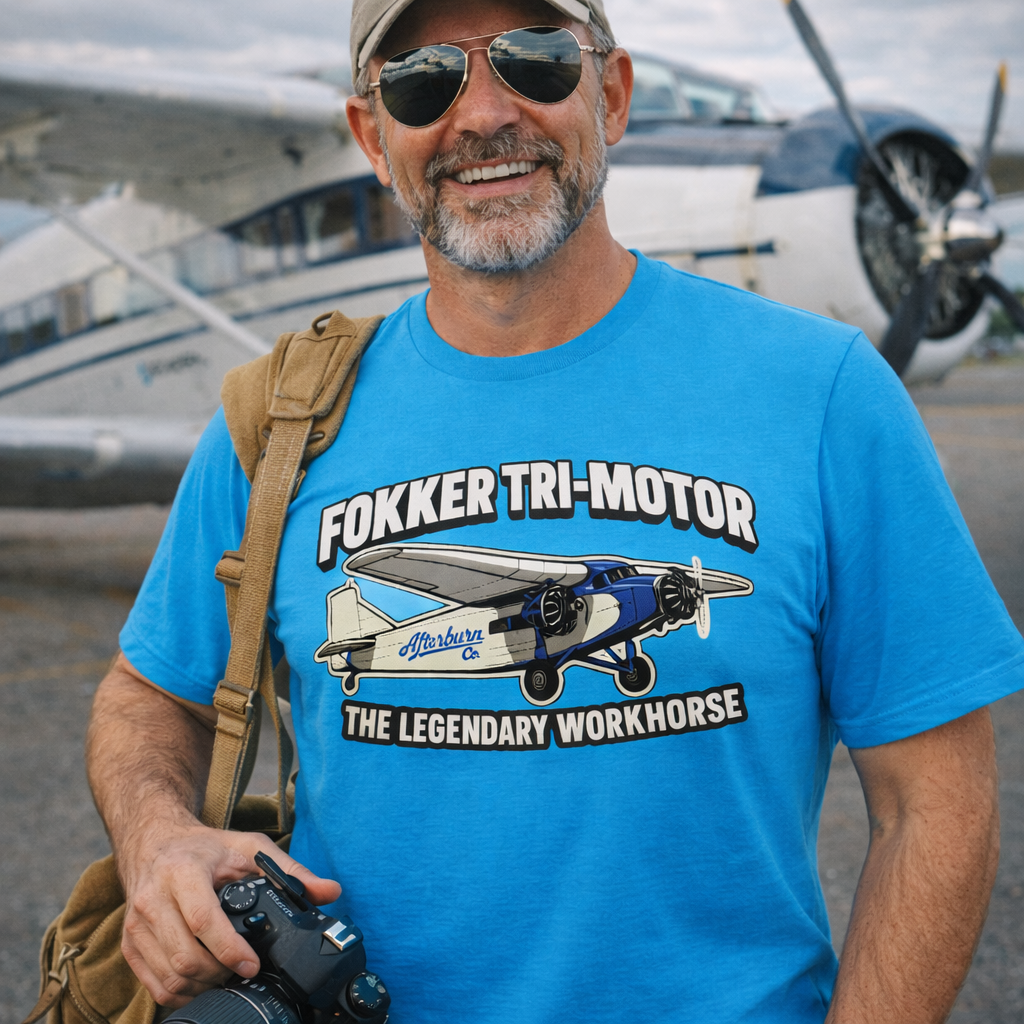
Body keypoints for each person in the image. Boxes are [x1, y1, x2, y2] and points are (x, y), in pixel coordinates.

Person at [86, 0, 1024, 1020]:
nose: (484, 113)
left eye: (536, 61)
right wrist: (154, 835)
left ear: (609, 95)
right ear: (373, 135)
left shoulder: (829, 394)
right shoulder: (276, 424)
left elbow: (935, 800)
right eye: (422, 80)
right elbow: (147, 693)